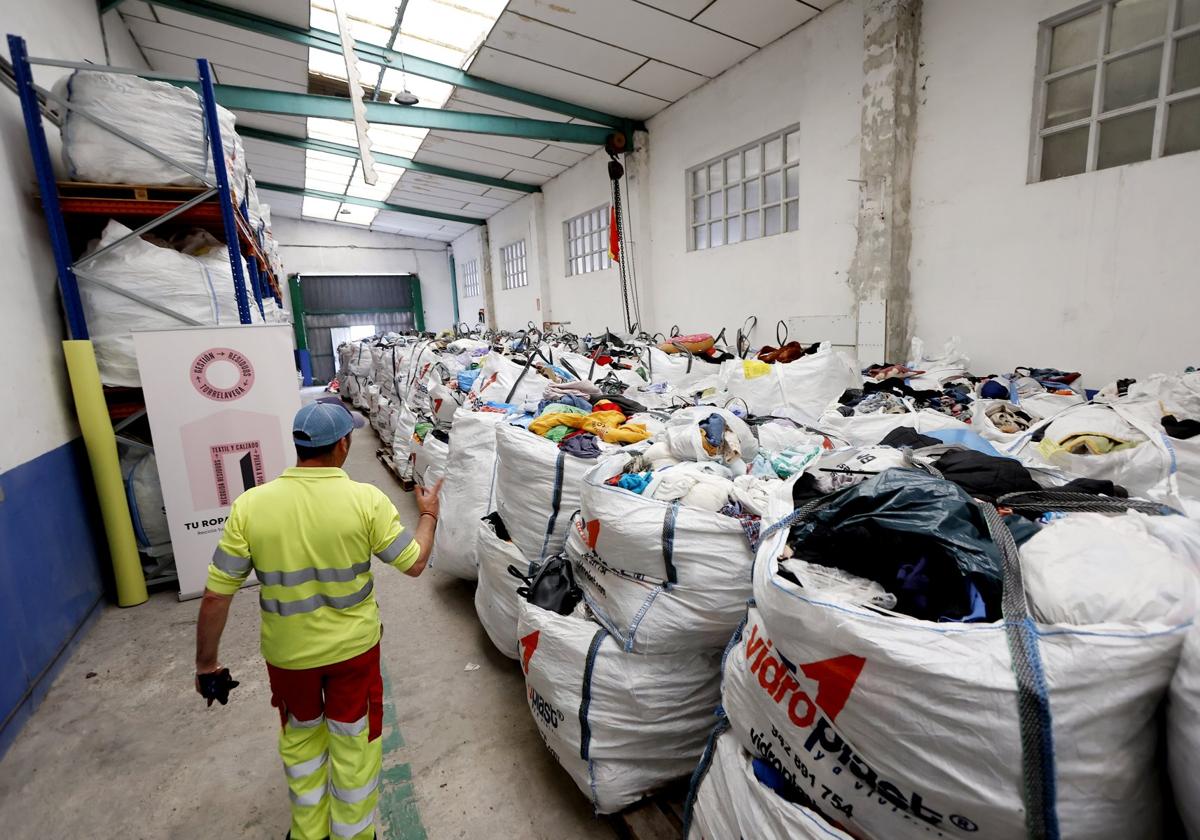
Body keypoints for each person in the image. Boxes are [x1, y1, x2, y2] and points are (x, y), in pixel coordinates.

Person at [193, 400, 442, 840]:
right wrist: (428, 516)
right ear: (344, 445)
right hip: (353, 654)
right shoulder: (365, 501)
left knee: (302, 740)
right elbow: (414, 563)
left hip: (289, 657)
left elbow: (216, 596)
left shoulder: (251, 506)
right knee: (353, 743)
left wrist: (206, 665)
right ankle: (353, 834)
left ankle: (309, 833)